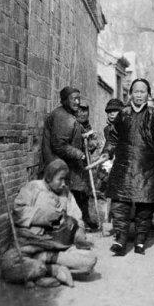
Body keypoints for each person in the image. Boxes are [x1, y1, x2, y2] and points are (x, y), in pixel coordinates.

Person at [103, 78, 154, 256]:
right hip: (124, 165)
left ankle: (141, 240)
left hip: (147, 166)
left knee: (145, 204)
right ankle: (120, 240)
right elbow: (113, 137)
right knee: (120, 203)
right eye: (136, 91)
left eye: (143, 91)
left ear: (148, 94)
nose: (139, 95)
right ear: (130, 94)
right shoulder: (123, 114)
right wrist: (107, 151)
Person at [1, 159, 97, 288]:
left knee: (89, 261)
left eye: (66, 180)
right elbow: (18, 212)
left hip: (57, 247)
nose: (63, 184)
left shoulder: (66, 193)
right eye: (60, 179)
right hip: (30, 244)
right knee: (8, 265)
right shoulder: (33, 187)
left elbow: (77, 218)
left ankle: (43, 264)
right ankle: (52, 270)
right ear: (49, 178)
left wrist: (79, 236)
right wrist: (46, 216)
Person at [41, 86, 96, 230]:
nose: (77, 102)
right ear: (64, 100)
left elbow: (78, 132)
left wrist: (89, 142)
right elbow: (59, 145)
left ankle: (81, 219)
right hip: (57, 162)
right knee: (62, 194)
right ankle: (64, 225)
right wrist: (80, 154)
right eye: (74, 99)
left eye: (79, 98)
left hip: (68, 162)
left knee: (80, 188)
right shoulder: (61, 117)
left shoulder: (70, 114)